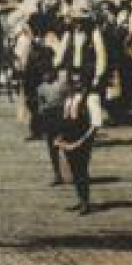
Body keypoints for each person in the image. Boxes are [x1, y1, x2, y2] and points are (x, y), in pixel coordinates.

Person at [56, 73, 98, 214]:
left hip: (82, 136)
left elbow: (95, 123)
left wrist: (84, 140)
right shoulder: (69, 98)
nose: (76, 84)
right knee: (73, 170)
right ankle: (80, 199)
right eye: (73, 82)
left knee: (81, 169)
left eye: (79, 81)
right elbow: (65, 116)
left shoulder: (91, 98)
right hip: (69, 135)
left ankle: (85, 202)